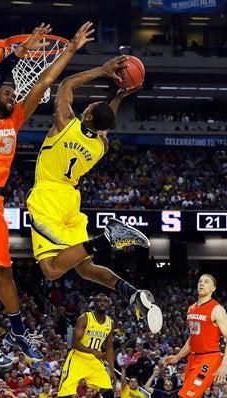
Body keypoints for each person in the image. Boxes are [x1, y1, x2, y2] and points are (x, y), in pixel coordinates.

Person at [0, 21, 96, 368]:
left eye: (15, 93)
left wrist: (71, 48)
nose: (13, 95)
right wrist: (19, 53)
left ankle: (15, 330)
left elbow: (44, 83)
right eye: (8, 93)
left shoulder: (14, 120)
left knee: (5, 271)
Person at [26, 54, 162, 335]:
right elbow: (104, 123)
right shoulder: (101, 146)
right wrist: (120, 96)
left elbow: (66, 84)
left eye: (88, 107)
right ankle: (133, 292)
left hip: (47, 195)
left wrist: (102, 69)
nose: (86, 108)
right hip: (71, 200)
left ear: (86, 115)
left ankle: (107, 237)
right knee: (85, 267)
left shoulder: (65, 123)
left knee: (51, 270)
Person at [40, 293, 124, 398]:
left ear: (108, 305)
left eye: (104, 301)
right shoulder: (85, 318)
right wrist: (94, 352)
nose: (101, 303)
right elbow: (74, 343)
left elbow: (110, 347)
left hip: (94, 361)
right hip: (78, 359)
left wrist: (112, 371)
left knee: (109, 394)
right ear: (95, 304)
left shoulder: (109, 323)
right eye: (99, 300)